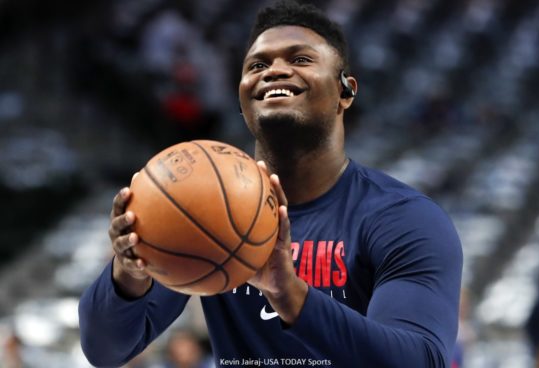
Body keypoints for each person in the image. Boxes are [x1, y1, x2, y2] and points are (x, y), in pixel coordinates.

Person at [78, 1, 463, 367]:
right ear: (242, 96)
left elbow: (420, 360)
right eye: (257, 64)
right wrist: (130, 271)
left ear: (346, 91)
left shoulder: (402, 218)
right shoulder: (202, 209)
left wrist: (289, 293)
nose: (274, 70)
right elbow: (106, 350)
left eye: (300, 59)